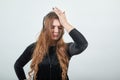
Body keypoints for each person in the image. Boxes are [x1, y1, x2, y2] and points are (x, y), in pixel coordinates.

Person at [14, 7, 88, 80]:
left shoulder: (67, 48)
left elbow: (83, 44)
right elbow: (18, 65)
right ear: (45, 28)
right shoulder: (34, 47)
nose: (56, 31)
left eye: (60, 27)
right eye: (52, 27)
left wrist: (65, 23)